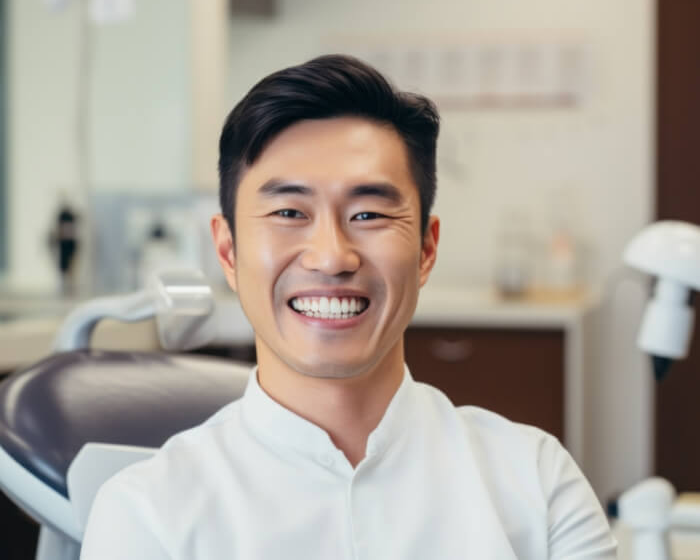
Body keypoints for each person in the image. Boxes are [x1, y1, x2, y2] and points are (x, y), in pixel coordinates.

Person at [81, 55, 616, 559]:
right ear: (227, 250)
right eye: (290, 211)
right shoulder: (146, 512)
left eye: (368, 215)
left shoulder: (535, 481)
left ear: (426, 249)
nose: (332, 257)